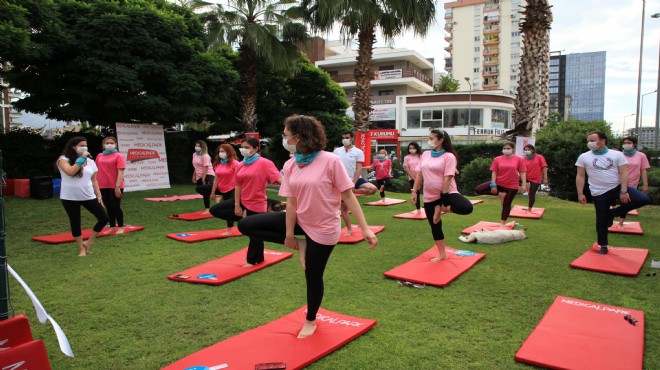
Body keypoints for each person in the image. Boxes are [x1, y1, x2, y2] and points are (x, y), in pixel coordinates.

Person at [238, 115, 377, 338]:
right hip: (301, 219)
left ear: (299, 136)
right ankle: (302, 244)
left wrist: (366, 228)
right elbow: (291, 202)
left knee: (312, 275)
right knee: (246, 225)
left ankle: (311, 320)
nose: (284, 138)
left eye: (286, 135)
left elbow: (349, 196)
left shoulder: (330, 161)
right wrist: (290, 235)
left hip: (324, 228)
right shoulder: (291, 164)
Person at [209, 137, 282, 266]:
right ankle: (249, 222)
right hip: (241, 200)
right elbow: (238, 186)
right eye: (242, 147)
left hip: (257, 202)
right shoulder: (241, 164)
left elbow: (278, 179)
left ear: (256, 148)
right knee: (215, 209)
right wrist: (237, 205)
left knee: (254, 233)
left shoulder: (265, 163)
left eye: (247, 147)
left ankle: (253, 259)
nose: (244, 150)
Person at [576, 131, 652, 254]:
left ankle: (613, 213)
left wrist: (623, 190)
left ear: (602, 141)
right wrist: (580, 193)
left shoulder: (616, 154)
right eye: (588, 140)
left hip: (616, 187)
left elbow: (624, 173)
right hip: (598, 192)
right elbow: (580, 176)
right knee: (601, 219)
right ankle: (603, 245)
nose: (589, 143)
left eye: (592, 140)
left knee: (644, 199)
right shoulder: (584, 157)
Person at [411, 130, 473, 262]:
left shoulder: (449, 157)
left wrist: (444, 202)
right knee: (434, 225)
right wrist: (414, 191)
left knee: (467, 208)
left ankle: (442, 209)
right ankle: (442, 253)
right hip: (429, 195)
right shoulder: (426, 154)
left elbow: (447, 179)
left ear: (440, 140)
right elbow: (420, 175)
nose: (429, 141)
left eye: (431, 138)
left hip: (447, 192)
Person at [56, 136, 108, 256]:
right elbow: (70, 171)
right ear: (73, 147)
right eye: (81, 145)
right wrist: (82, 158)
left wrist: (98, 195)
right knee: (75, 221)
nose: (84, 147)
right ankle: (81, 249)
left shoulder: (90, 161)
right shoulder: (64, 159)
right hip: (70, 196)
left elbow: (94, 180)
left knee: (104, 218)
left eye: (85, 145)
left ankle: (89, 242)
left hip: (88, 195)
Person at [333, 131, 377, 235]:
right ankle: (349, 229)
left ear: (352, 138)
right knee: (344, 208)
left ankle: (352, 191)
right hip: (342, 180)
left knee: (373, 189)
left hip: (355, 179)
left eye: (347, 137)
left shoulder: (358, 151)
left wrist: (353, 183)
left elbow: (359, 169)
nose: (345, 139)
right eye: (343, 137)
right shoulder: (337, 151)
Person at [489, 142, 527, 227]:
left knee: (507, 204)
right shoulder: (497, 159)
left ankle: (502, 223)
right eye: (504, 148)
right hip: (499, 183)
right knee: (479, 189)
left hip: (512, 185)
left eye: (508, 148)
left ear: (513, 149)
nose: (506, 150)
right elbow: (494, 172)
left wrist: (524, 185)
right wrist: (493, 184)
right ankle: (500, 194)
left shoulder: (519, 159)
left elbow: (522, 172)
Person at [95, 136, 127, 235]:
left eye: (111, 143)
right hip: (103, 185)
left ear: (115, 144)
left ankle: (121, 226)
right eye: (107, 143)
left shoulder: (119, 156)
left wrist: (117, 187)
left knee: (115, 206)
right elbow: (96, 170)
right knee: (108, 206)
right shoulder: (99, 156)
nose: (109, 144)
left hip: (116, 185)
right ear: (103, 145)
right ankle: (112, 226)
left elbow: (120, 172)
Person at [617, 136, 650, 228]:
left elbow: (643, 170)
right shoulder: (619, 155)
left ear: (634, 144)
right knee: (620, 200)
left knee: (626, 202)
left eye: (629, 143)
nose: (626, 145)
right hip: (619, 182)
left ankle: (620, 222)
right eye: (625, 143)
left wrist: (645, 184)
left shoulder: (641, 155)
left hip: (632, 183)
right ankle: (612, 219)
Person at [209, 144, 239, 235]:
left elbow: (240, 178)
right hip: (223, 189)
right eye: (219, 152)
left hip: (233, 189)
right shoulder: (218, 163)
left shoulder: (235, 164)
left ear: (229, 152)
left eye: (222, 151)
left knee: (230, 208)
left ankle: (229, 230)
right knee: (227, 210)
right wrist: (213, 192)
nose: (220, 153)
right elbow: (216, 179)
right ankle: (241, 220)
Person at [522, 144, 548, 213]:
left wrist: (545, 178)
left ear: (533, 150)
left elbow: (544, 167)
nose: (527, 151)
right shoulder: (523, 159)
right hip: (527, 177)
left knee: (531, 194)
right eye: (525, 150)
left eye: (529, 149)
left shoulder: (539, 157)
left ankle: (529, 208)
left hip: (536, 178)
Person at [192, 140, 215, 214]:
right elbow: (195, 166)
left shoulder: (205, 156)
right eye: (196, 146)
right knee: (202, 191)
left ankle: (208, 208)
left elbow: (205, 168)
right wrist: (194, 176)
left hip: (208, 175)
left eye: (199, 146)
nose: (197, 147)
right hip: (199, 175)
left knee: (206, 191)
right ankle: (208, 208)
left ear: (203, 147)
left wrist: (203, 178)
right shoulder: (194, 155)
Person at [403, 142, 423, 213]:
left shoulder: (421, 156)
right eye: (410, 148)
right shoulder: (407, 157)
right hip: (412, 177)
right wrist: (414, 178)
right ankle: (418, 210)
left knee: (424, 192)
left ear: (417, 148)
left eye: (413, 148)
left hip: (422, 176)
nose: (412, 149)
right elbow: (407, 169)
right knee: (416, 193)